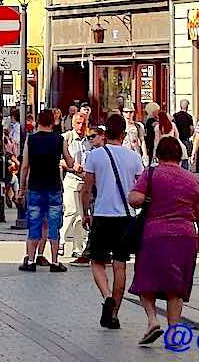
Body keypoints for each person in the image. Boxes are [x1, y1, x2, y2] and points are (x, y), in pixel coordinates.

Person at [128, 136, 199, 345]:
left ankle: (153, 320)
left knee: (146, 282)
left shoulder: (151, 173)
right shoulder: (191, 179)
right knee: (176, 287)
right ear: (179, 155)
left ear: (158, 154)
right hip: (185, 235)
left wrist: (146, 198)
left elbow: (134, 199)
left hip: (155, 234)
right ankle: (173, 333)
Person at [80, 113, 145, 330]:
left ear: (105, 134)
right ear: (124, 134)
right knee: (120, 265)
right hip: (126, 218)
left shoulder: (95, 155)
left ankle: (107, 295)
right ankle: (114, 313)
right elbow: (141, 189)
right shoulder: (134, 158)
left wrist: (85, 213)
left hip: (102, 215)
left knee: (97, 261)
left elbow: (87, 188)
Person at [18, 109, 75, 272]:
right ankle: (55, 261)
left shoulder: (31, 139)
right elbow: (70, 163)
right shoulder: (59, 139)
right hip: (54, 187)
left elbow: (24, 166)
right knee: (53, 225)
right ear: (53, 122)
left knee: (34, 224)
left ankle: (30, 261)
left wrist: (21, 189)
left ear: (38, 121)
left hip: (35, 187)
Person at [61, 111, 93, 264]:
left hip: (85, 180)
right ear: (72, 124)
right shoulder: (66, 138)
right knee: (71, 211)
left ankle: (77, 247)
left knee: (81, 216)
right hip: (71, 178)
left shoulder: (88, 141)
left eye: (83, 123)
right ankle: (61, 240)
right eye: (78, 123)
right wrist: (72, 166)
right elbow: (59, 160)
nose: (81, 127)